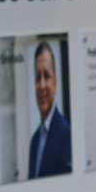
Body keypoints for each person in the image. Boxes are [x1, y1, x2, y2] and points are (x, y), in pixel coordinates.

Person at [28, 40, 71, 179]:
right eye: (37, 78)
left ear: (55, 81)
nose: (42, 85)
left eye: (46, 76)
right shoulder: (34, 141)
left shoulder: (66, 135)